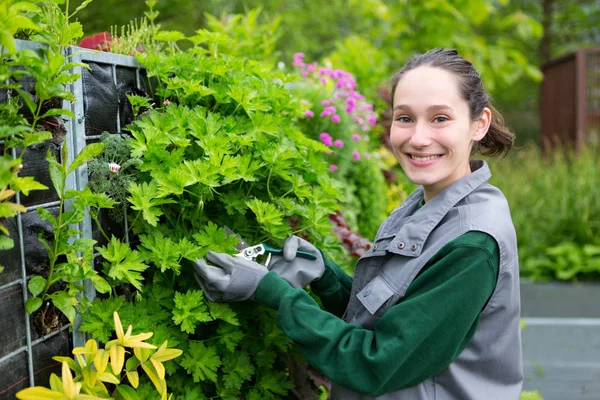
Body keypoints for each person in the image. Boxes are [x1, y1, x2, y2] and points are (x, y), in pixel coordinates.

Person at [194, 48, 524, 399]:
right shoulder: (427, 204)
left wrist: (273, 292)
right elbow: (394, 319)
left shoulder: (471, 244)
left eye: (440, 118)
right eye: (405, 118)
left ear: (479, 124)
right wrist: (325, 277)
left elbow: (375, 363)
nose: (418, 138)